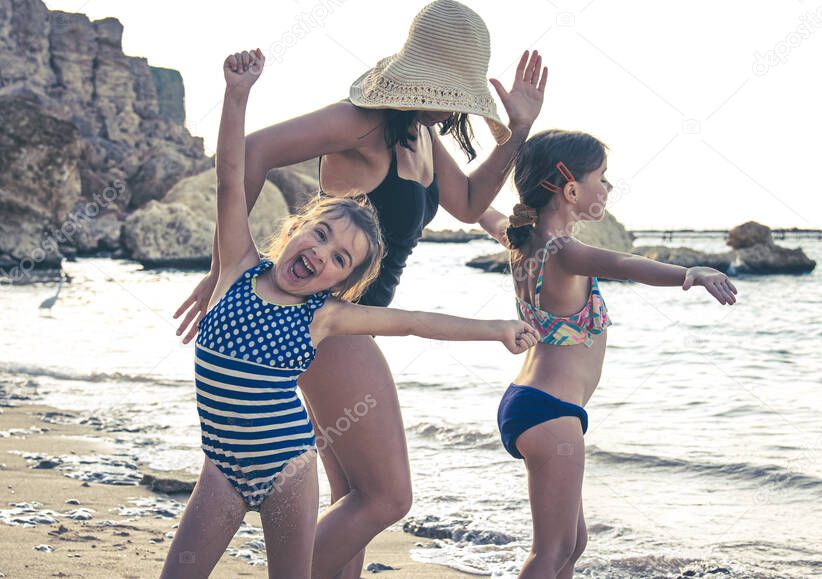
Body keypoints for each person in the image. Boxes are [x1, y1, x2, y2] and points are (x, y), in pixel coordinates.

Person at [172, 2, 548, 576]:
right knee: (387, 497)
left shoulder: (420, 133)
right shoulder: (363, 120)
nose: (451, 102)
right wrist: (226, 270)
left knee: (353, 493)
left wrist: (517, 133)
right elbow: (253, 152)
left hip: (345, 324)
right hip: (327, 323)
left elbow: (469, 204)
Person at [477, 129, 738, 578]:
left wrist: (434, 175)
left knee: (571, 544)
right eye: (602, 176)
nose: (609, 187)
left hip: (532, 403)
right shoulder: (564, 250)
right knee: (553, 549)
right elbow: (627, 265)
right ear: (571, 189)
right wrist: (688, 272)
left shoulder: (520, 240)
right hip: (550, 413)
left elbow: (480, 211)